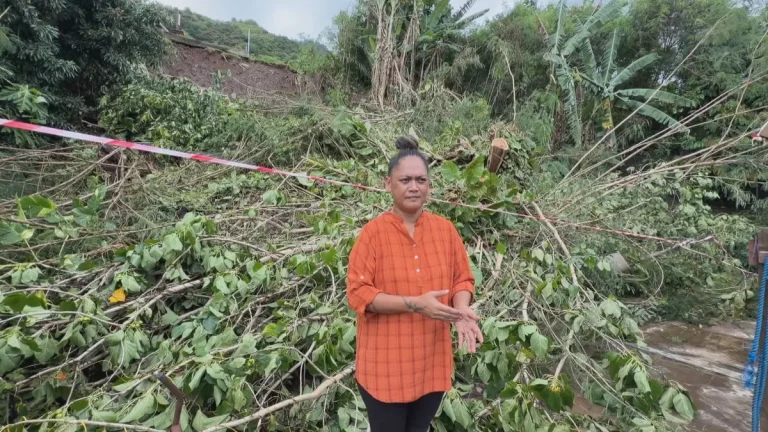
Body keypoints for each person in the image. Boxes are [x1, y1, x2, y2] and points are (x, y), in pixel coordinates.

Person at [346, 136, 484, 432]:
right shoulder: (373, 235)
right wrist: (413, 304)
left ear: (429, 187)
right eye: (405, 179)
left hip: (430, 366)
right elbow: (358, 294)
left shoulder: (445, 231)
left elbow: (463, 278)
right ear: (388, 184)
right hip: (385, 371)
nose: (414, 187)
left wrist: (460, 310)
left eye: (421, 180)